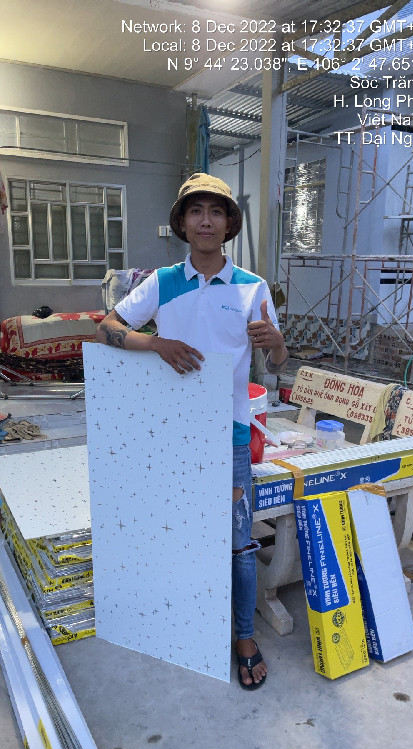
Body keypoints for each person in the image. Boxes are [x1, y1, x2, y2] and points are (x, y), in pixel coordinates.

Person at [96, 173, 288, 689]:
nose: (206, 220)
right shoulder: (162, 283)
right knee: (173, 530)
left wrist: (276, 345)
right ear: (182, 223)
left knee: (238, 542)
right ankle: (179, 619)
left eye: (216, 211)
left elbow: (274, 368)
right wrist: (155, 343)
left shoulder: (252, 287)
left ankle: (243, 636)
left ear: (229, 224)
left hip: (229, 437)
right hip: (171, 434)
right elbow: (107, 328)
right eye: (196, 211)